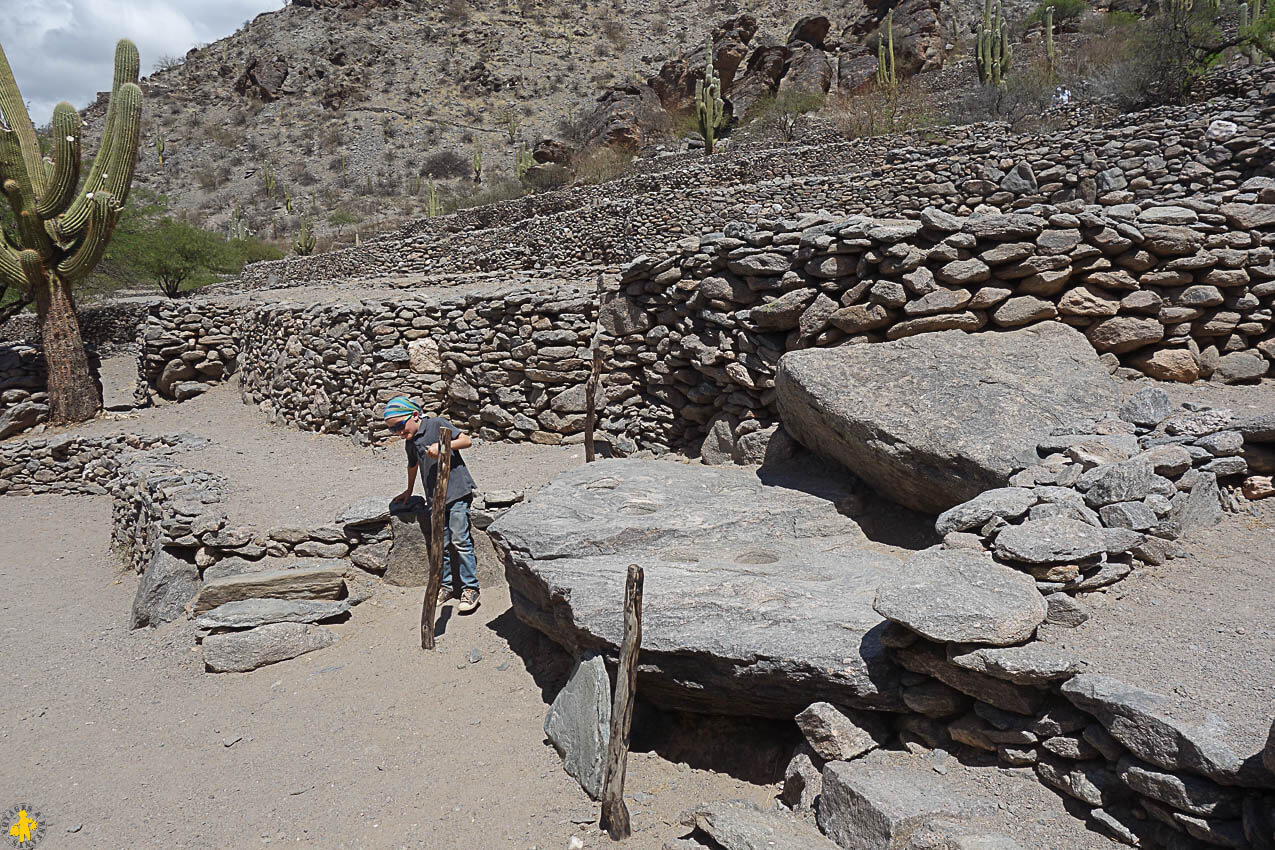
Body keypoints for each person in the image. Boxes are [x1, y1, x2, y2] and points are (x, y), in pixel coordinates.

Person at [383, 396, 481, 613]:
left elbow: (466, 440)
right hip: (434, 498)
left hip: (456, 492)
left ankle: (470, 588)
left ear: (415, 416)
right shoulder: (410, 441)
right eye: (393, 430)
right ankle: (445, 585)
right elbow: (412, 465)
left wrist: (443, 447)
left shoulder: (437, 424)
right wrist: (408, 491)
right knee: (440, 541)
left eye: (400, 426)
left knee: (460, 540)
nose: (398, 432)